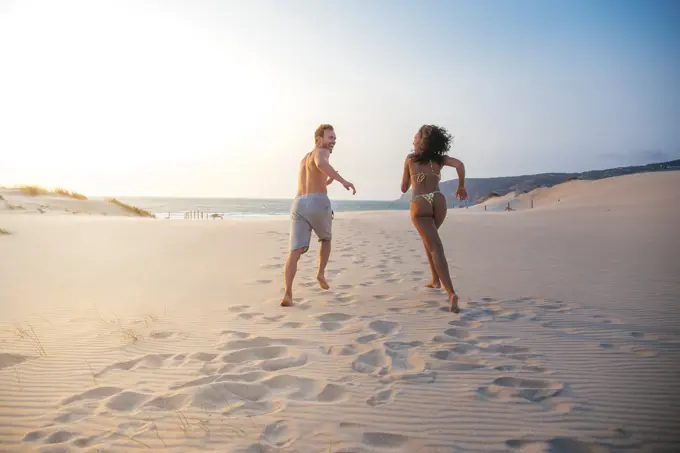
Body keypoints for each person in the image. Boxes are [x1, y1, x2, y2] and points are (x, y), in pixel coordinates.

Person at [281, 124, 356, 307]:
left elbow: (316, 178)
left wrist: (329, 179)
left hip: (299, 203)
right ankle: (321, 273)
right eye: (330, 137)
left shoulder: (304, 159)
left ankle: (288, 294)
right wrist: (342, 180)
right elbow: (322, 164)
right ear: (319, 139)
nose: (333, 141)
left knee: (294, 252)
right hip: (317, 202)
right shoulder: (322, 152)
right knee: (325, 239)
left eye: (335, 138)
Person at [401, 125, 467, 313]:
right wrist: (461, 186)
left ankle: (451, 293)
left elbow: (403, 188)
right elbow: (460, 165)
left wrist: (411, 176)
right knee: (430, 240)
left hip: (420, 202)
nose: (413, 140)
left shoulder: (410, 159)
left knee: (434, 245)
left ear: (422, 141)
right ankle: (435, 280)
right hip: (438, 201)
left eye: (415, 137)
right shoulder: (440, 159)